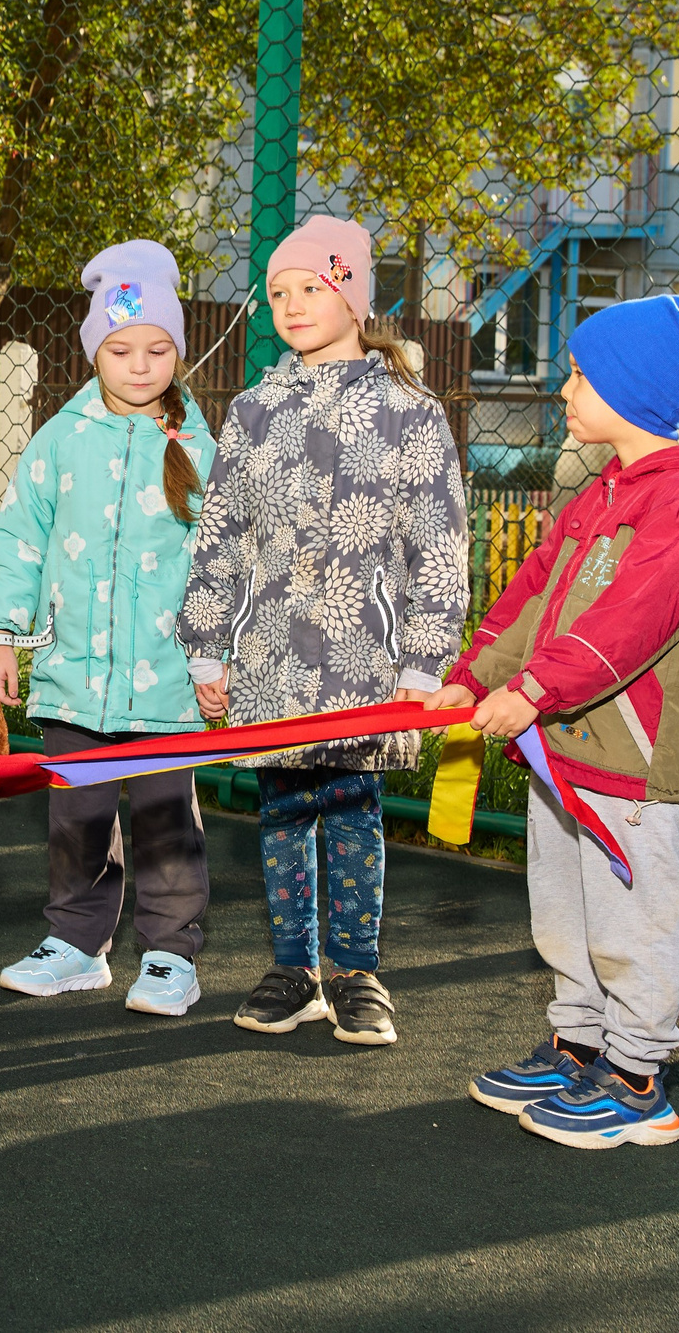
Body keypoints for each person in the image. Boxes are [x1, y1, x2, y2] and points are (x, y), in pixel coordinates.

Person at [436, 295, 679, 1149]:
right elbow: (534, 593)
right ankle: (580, 1041)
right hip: (564, 747)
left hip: (629, 754)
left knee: (631, 917)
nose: (566, 391)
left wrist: (536, 689)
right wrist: (475, 679)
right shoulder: (602, 491)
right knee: (565, 908)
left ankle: (638, 1077)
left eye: (581, 375)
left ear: (636, 389)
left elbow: (630, 620)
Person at [177, 216, 468, 1047]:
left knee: (350, 806)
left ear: (353, 295)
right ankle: (294, 967)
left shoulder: (407, 411)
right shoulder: (254, 412)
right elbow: (223, 531)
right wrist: (208, 644)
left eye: (313, 287)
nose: (294, 305)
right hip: (270, 655)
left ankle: (355, 969)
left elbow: (439, 542)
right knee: (280, 807)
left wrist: (423, 661)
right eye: (278, 292)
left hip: (365, 662)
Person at [0, 242, 217, 1016]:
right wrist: (4, 635)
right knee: (76, 815)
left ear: (178, 351)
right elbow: (19, 541)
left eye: (157, 349)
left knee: (163, 818)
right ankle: (79, 945)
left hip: (166, 683)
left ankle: (170, 954)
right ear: (94, 353)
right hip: (73, 676)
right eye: (120, 349)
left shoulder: (198, 448)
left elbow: (223, 561)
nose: (140, 365)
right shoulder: (60, 440)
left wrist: (218, 658)